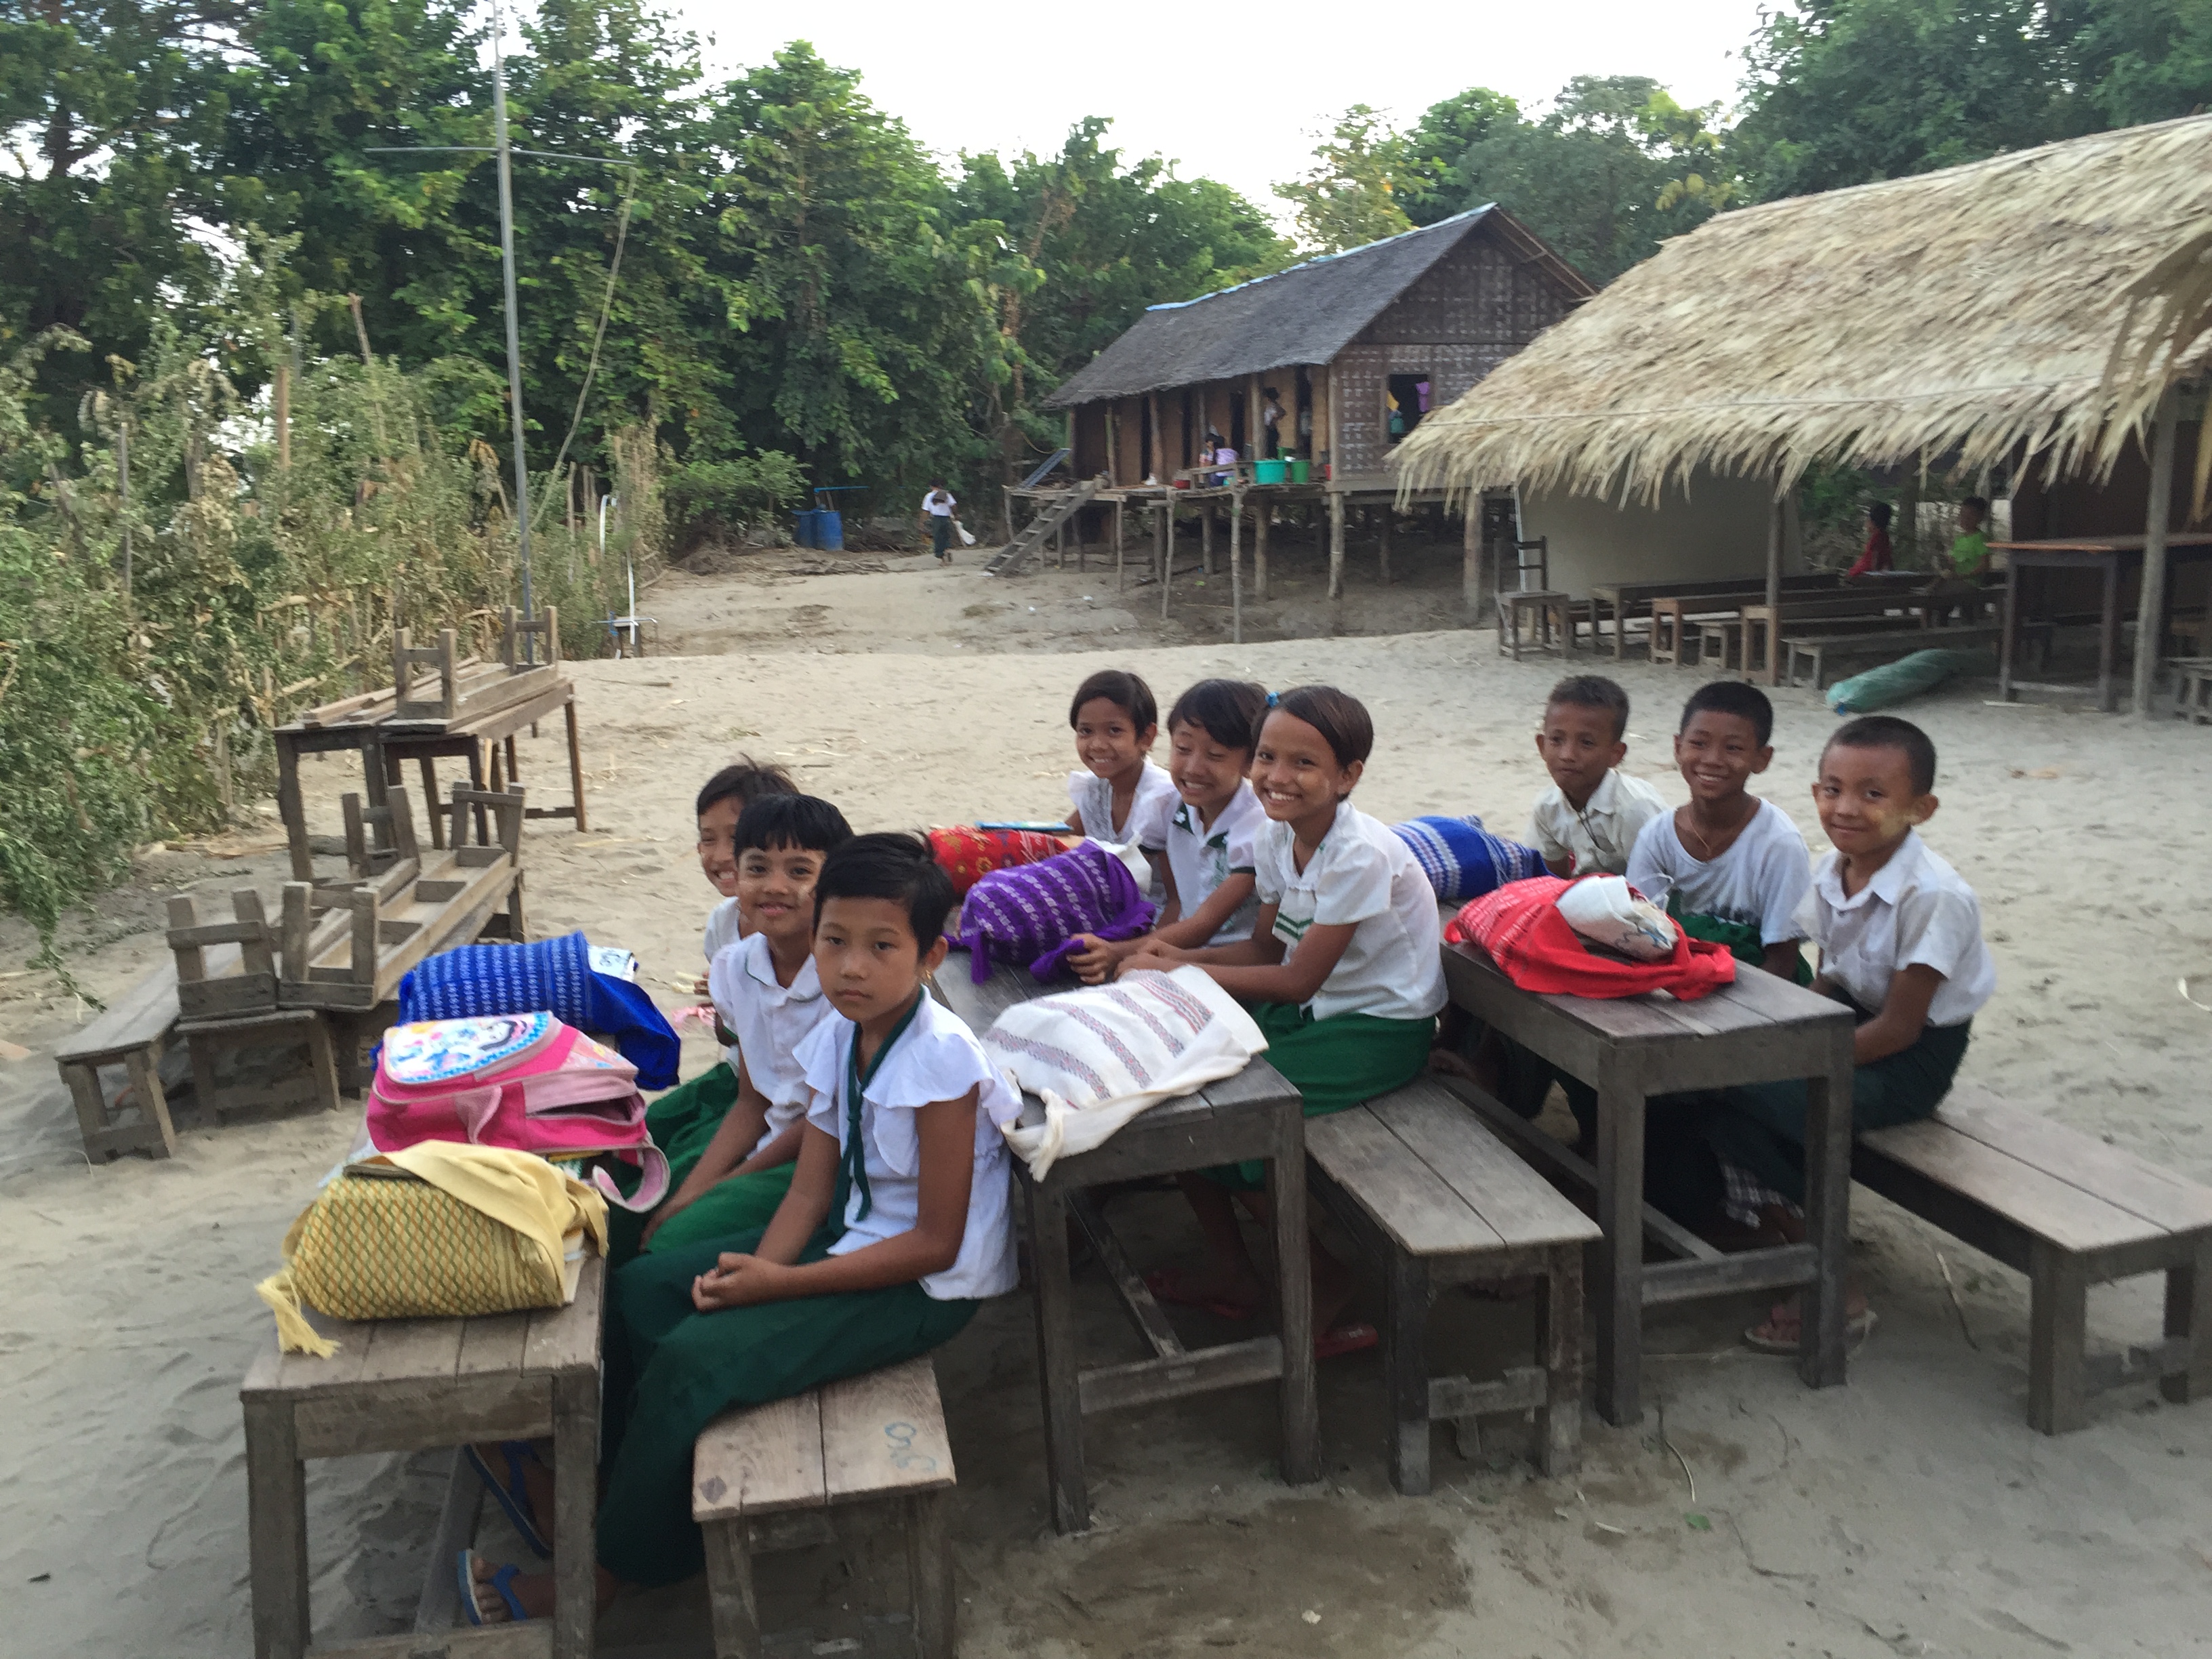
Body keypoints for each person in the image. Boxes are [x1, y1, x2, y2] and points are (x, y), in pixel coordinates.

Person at [462, 833, 1019, 1625]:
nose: (851, 966)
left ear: (930, 955)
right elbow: (809, 1190)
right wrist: (758, 1277)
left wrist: (780, 1285)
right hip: (850, 1232)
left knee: (694, 1361)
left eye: (881, 947)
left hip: (925, 1283)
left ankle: (612, 1574)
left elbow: (935, 1241)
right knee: (645, 1292)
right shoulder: (839, 1031)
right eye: (836, 941)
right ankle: (601, 1488)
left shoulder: (943, 1063)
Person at [1119, 686, 1446, 1355]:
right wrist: (1172, 951)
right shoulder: (1275, 838)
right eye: (1267, 756)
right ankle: (1235, 1272)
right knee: (1171, 1081)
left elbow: (1299, 975)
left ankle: (1323, 1272)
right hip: (1314, 1011)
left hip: (1379, 1028)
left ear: (1348, 777)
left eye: (1304, 763)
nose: (1276, 776)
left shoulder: (1359, 854)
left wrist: (1181, 969)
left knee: (1223, 1116)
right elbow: (1267, 947)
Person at [1705, 716, 1994, 1350]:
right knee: (1708, 1089)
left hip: (1910, 1061)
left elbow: (1898, 1028)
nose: (1847, 808)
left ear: (1922, 808)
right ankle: (1789, 1232)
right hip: (1847, 1027)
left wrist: (1789, 1062)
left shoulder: (1933, 895)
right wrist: (1780, 1038)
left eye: (1873, 794)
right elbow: (1832, 980)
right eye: (1832, 789)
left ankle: (1838, 1283)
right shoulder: (1833, 870)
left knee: (1748, 1089)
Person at [640, 794, 853, 1254]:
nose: (775, 886)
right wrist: (695, 1189)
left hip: (826, 1157)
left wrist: (723, 1186)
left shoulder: (846, 982)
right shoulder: (736, 967)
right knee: (645, 1200)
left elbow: (821, 1122)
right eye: (757, 869)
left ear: (833, 881)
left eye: (799, 872)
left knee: (671, 1244)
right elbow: (753, 1101)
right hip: (771, 1135)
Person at [606, 760, 800, 1264]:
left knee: (668, 1197)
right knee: (622, 1148)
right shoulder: (723, 928)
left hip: (777, 1108)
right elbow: (737, 1042)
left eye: (733, 838)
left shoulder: (811, 940)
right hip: (737, 1085)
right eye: (705, 839)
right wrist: (725, 1007)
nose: (718, 856)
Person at [1067, 678, 1267, 983]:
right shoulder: (1169, 807)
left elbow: (1205, 923)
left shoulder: (1255, 829)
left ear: (1250, 762)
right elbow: (1176, 901)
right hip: (1181, 949)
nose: (1193, 768)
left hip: (1232, 966)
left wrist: (1120, 952)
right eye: (1183, 749)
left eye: (1214, 756)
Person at [1626, 682, 1811, 983]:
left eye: (1733, 748)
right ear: (1678, 747)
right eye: (1698, 743)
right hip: (1676, 981)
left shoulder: (1779, 845)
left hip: (1763, 988)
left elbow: (1782, 962)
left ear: (1761, 759)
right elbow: (1641, 934)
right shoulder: (1657, 837)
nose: (1712, 759)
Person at [1528, 675, 1666, 879]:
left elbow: (1658, 887)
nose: (1568, 755)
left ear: (1616, 754)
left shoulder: (1633, 810)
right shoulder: (1548, 807)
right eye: (1556, 740)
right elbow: (1551, 883)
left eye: (1587, 743)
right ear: (1541, 745)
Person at [1063, 668, 1179, 857]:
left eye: (1114, 730)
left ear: (1146, 738)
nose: (1097, 745)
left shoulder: (1162, 798)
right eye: (1086, 731)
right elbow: (1059, 840)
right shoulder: (1097, 790)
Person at [1845, 501, 1895, 579]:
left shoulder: (1877, 537)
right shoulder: (1884, 536)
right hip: (1870, 570)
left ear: (1873, 522)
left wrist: (1875, 575)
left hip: (1865, 571)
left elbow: (1875, 558)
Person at [1947, 495, 1991, 580]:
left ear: (1980, 518)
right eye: (1963, 515)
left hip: (1970, 583)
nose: (1966, 519)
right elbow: (1953, 562)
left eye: (1971, 516)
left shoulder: (1980, 539)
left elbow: (1985, 565)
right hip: (1956, 581)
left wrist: (1964, 576)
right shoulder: (1959, 539)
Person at [920, 480, 958, 563]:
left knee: (938, 538)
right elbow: (954, 506)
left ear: (931, 486)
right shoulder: (947, 494)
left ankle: (943, 559)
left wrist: (922, 522)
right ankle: (947, 549)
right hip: (947, 518)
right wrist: (955, 515)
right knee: (946, 535)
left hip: (936, 519)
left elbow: (926, 511)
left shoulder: (929, 496)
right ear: (940, 486)